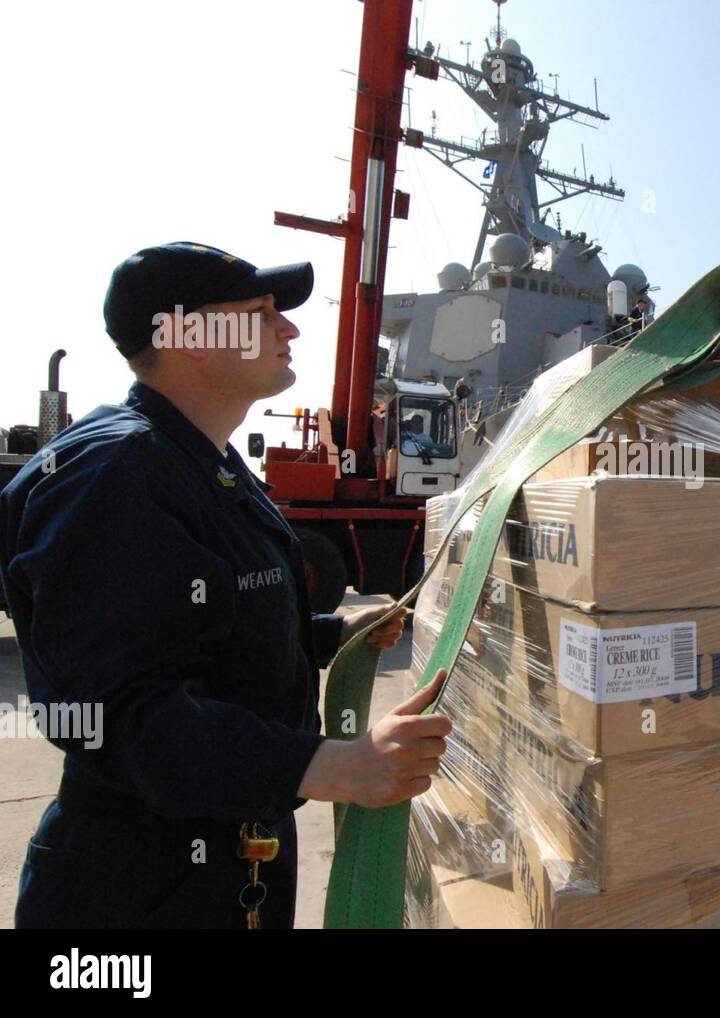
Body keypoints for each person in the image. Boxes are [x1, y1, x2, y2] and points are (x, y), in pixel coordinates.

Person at [0, 242, 452, 929]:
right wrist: (333, 766)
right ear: (185, 334)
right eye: (261, 312)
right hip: (137, 895)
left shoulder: (202, 462)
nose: (290, 328)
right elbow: (120, 716)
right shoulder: (118, 475)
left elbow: (207, 628)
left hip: (223, 864)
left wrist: (331, 634)